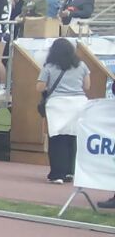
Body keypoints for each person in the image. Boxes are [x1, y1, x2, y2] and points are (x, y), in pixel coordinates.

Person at [39, 36, 96, 184]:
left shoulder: (49, 66)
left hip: (57, 105)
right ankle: (71, 171)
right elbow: (87, 86)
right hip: (78, 103)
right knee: (73, 137)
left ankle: (58, 174)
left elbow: (40, 87)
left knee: (57, 138)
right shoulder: (81, 65)